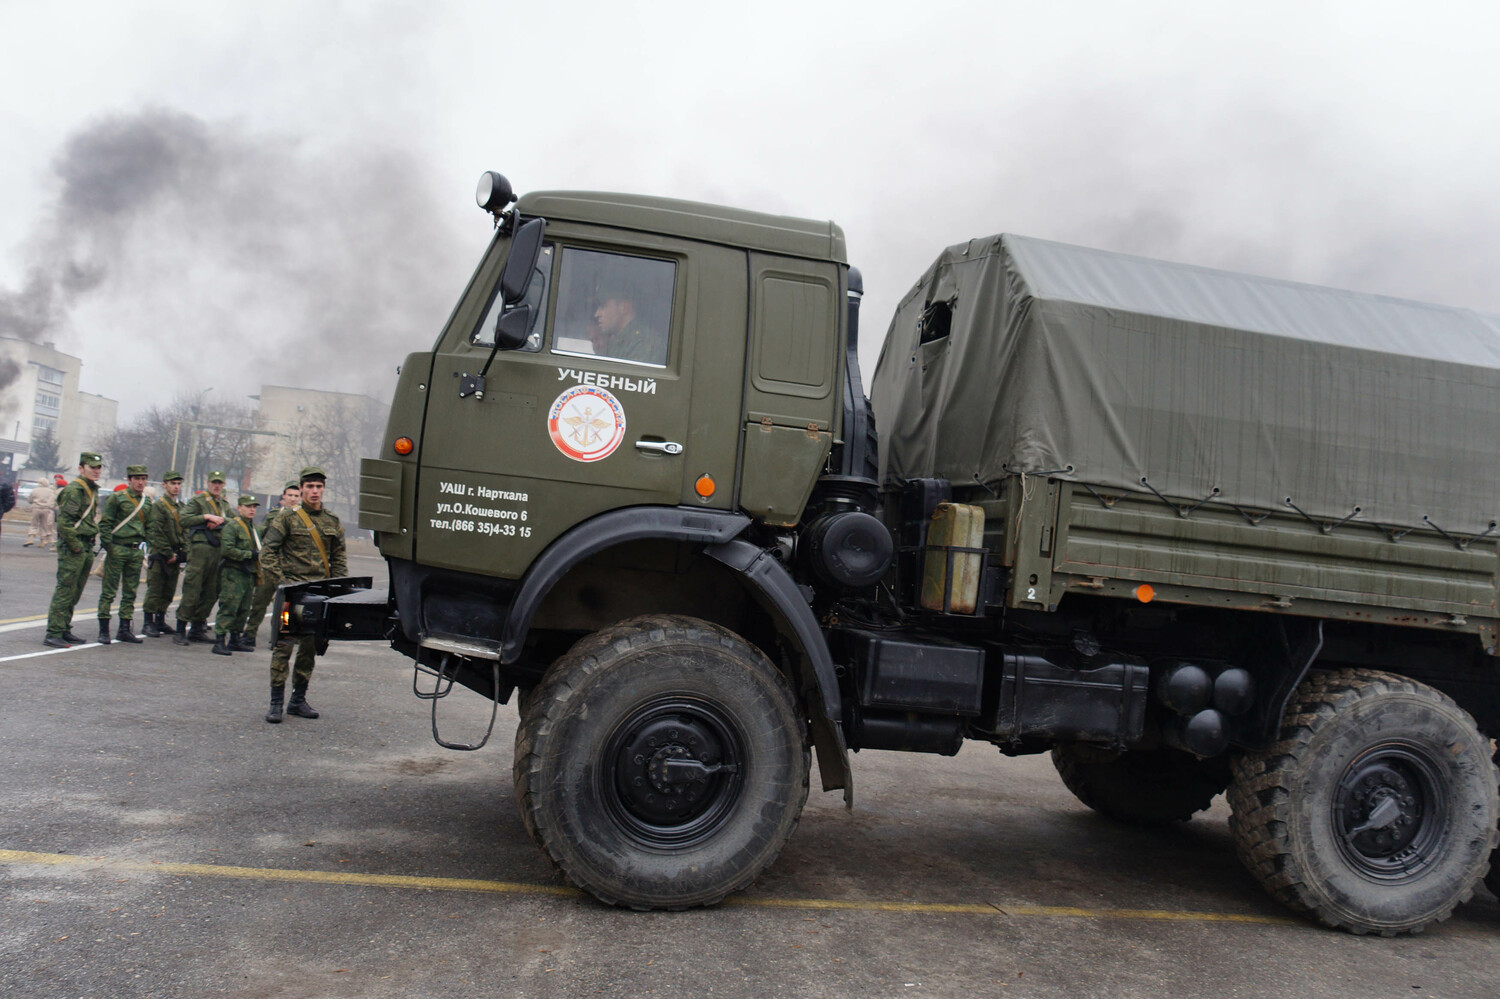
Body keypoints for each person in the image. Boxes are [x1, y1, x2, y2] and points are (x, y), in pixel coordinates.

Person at [260, 466, 345, 723]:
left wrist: (339, 591)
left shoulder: (332, 521)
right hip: (292, 595)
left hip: (318, 595)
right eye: (310, 487)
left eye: (319, 486)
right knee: (283, 647)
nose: (314, 491)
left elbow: (339, 559)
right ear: (301, 489)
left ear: (324, 489)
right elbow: (268, 553)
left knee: (309, 648)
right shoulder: (287, 518)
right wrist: (282, 583)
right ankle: (276, 702)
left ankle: (298, 700)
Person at [44, 452, 103, 648]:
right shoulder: (75, 490)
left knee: (75, 591)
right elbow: (64, 523)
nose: (96, 471)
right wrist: (76, 547)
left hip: (86, 544)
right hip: (74, 546)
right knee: (66, 590)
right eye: (92, 467)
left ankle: (64, 628)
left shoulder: (90, 489)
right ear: (81, 468)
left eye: (98, 467)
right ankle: (53, 632)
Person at [240, 480, 299, 650]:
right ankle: (249, 634)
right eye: (290, 495)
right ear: (283, 496)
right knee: (259, 602)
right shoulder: (274, 514)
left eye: (296, 496)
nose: (292, 499)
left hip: (289, 567)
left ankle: (281, 636)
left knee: (285, 606)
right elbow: (262, 535)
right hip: (270, 566)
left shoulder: (303, 519)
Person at [96, 465, 151, 644]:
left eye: (143, 479)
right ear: (129, 480)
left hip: (135, 550)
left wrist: (148, 547)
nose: (140, 482)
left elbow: (149, 527)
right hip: (118, 547)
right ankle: (104, 630)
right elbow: (105, 523)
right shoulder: (117, 498)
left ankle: (124, 629)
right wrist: (109, 546)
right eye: (137, 479)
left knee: (130, 592)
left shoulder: (147, 501)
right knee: (109, 591)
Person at [174, 470, 229, 645]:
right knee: (192, 590)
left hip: (217, 551)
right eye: (214, 482)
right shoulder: (198, 501)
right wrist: (206, 517)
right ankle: (180, 628)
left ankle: (197, 627)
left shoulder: (224, 505)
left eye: (219, 483)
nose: (216, 486)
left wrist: (220, 521)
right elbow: (184, 519)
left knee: (211, 592)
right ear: (208, 483)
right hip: (200, 550)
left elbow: (234, 522)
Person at [212, 495, 262, 655]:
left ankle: (235, 639)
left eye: (254, 507)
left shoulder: (255, 529)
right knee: (229, 606)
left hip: (248, 573)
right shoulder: (232, 526)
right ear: (239, 508)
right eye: (248, 506)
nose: (252, 510)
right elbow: (227, 550)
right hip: (234, 573)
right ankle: (219, 640)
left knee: (244, 608)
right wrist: (249, 555)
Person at [142, 470, 186, 637]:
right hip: (161, 555)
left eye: (178, 484)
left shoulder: (180, 507)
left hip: (175, 554)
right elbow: (157, 532)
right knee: (155, 589)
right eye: (172, 483)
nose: (176, 487)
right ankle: (148, 622)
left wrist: (182, 552)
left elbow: (184, 531)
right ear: (164, 485)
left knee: (169, 590)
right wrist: (168, 553)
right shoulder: (159, 505)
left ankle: (160, 620)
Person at [590, 289, 665, 363]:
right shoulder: (615, 341)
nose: (596, 314)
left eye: (603, 306)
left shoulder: (644, 342)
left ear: (624, 308)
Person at [26, 477, 58, 549]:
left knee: (34, 523)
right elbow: (53, 500)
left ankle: (31, 538)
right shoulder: (50, 491)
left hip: (36, 508)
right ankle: (42, 541)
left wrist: (32, 502)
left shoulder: (35, 490)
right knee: (44, 525)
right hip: (46, 509)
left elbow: (30, 499)